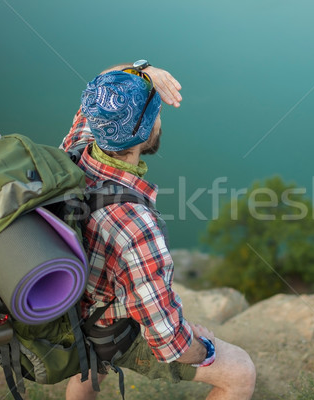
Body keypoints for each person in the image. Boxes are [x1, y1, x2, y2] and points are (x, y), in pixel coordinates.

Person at [63, 61, 256, 400]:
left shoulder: (75, 147)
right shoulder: (136, 225)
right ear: (147, 130)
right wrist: (204, 347)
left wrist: (142, 71)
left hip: (69, 306)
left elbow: (100, 87)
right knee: (239, 371)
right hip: (106, 327)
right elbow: (169, 341)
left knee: (93, 362)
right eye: (158, 115)